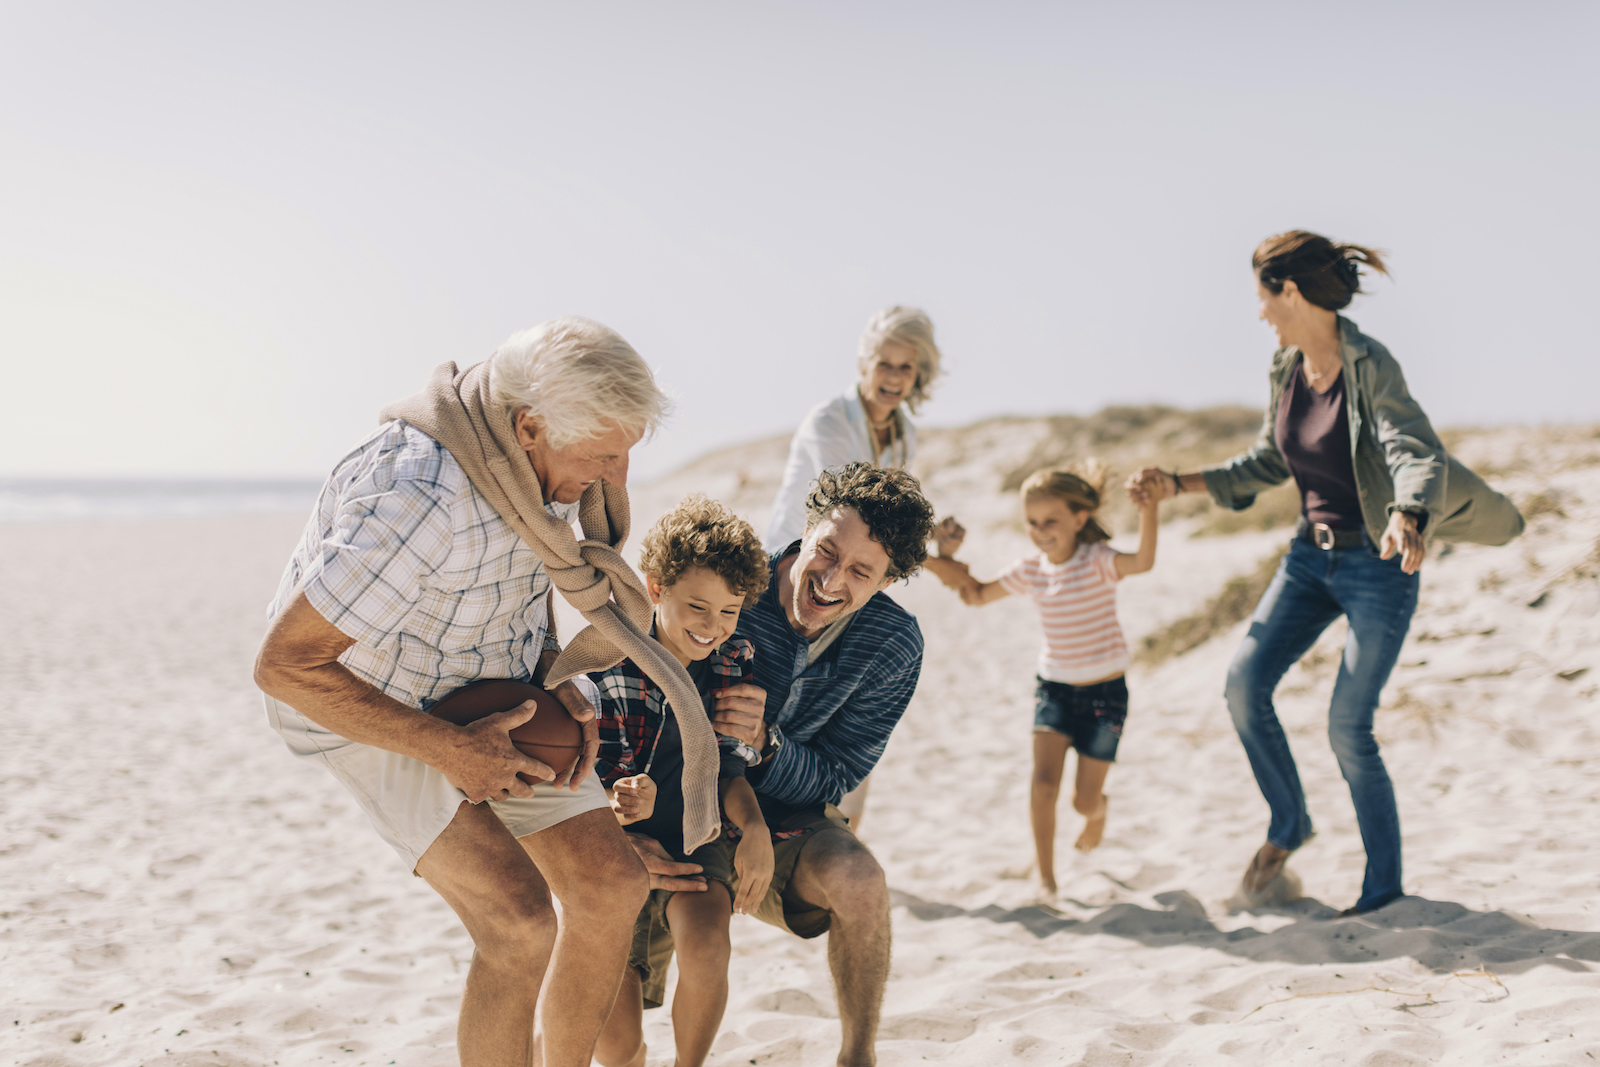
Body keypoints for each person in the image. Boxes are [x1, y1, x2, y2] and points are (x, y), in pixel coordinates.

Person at [253, 318, 726, 1067]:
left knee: (612, 884)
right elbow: (285, 664)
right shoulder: (417, 499)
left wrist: (549, 674)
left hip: (479, 686)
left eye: (627, 452)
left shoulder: (540, 459)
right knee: (518, 923)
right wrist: (446, 747)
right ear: (529, 425)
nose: (614, 478)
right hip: (366, 702)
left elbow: (522, 577)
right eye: (602, 454)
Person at [1132, 231, 1524, 915]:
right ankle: (1289, 822)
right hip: (1308, 560)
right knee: (1244, 682)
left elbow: (1412, 447)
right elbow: (1266, 460)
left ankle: (1382, 891)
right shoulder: (1286, 367)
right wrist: (1177, 483)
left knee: (1348, 722)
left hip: (1377, 563)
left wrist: (1409, 513)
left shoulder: (1371, 364)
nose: (1258, 313)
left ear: (1289, 292)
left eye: (1262, 297)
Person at [672, 461, 936, 1067]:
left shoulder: (895, 645)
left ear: (887, 581)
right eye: (826, 552)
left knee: (862, 880)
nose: (830, 580)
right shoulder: (732, 586)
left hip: (788, 821)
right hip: (675, 804)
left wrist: (769, 747)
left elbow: (839, 776)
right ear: (808, 526)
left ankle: (857, 1057)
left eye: (861, 572)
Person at [590, 495, 774, 1067]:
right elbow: (589, 780)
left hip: (696, 839)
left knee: (708, 946)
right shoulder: (613, 661)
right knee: (619, 1047)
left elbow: (730, 768)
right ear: (654, 588)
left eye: (729, 611)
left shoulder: (732, 657)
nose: (712, 627)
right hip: (608, 853)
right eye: (697, 606)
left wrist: (755, 829)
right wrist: (620, 799)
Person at [935, 463, 1159, 900]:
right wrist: (940, 559)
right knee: (1042, 785)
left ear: (1079, 519)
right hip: (1053, 689)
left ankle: (1099, 813)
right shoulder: (1030, 570)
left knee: (1083, 802)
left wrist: (1150, 511)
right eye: (1032, 523)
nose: (1040, 532)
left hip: (1105, 696)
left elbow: (1144, 561)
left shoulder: (1098, 561)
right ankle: (1047, 878)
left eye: (1050, 521)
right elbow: (976, 594)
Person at [763, 306, 947, 827]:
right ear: (864, 363)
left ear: (919, 375)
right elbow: (852, 517)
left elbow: (890, 528)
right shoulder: (830, 421)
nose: (892, 377)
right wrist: (938, 562)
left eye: (905, 368)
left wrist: (938, 540)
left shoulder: (903, 432)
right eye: (883, 363)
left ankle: (838, 829)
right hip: (798, 574)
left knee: (856, 701)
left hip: (851, 577)